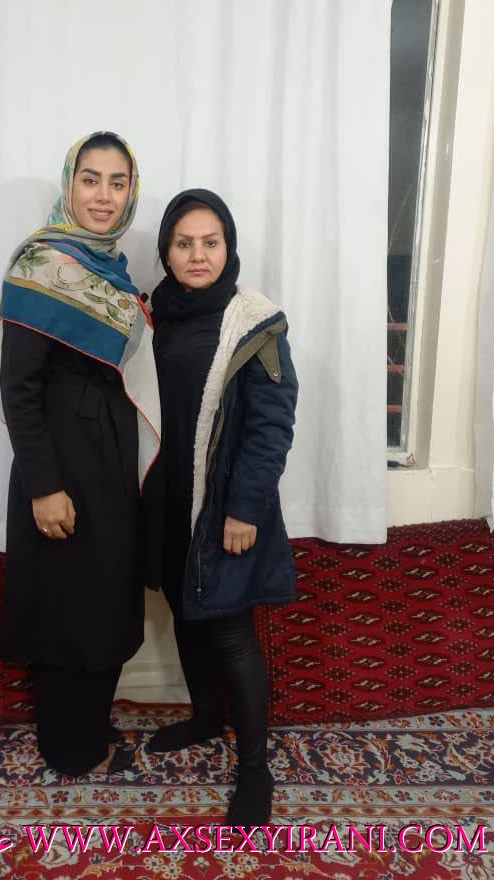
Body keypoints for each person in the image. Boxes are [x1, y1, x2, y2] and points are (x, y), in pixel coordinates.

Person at [0, 131, 160, 777]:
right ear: (70, 185)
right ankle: (72, 749)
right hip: (61, 466)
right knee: (66, 603)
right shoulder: (41, 267)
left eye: (117, 183)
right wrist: (44, 486)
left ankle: (88, 728)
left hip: (109, 464)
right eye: (90, 179)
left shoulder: (113, 272)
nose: (103, 196)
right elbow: (18, 388)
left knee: (104, 598)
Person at [146, 188, 298, 826]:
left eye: (211, 242)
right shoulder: (153, 313)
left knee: (231, 632)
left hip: (226, 506)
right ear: (166, 251)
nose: (198, 255)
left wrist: (245, 510)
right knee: (186, 614)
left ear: (228, 247)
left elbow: (271, 426)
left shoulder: (254, 323)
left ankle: (256, 770)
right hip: (166, 501)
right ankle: (207, 718)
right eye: (184, 244)